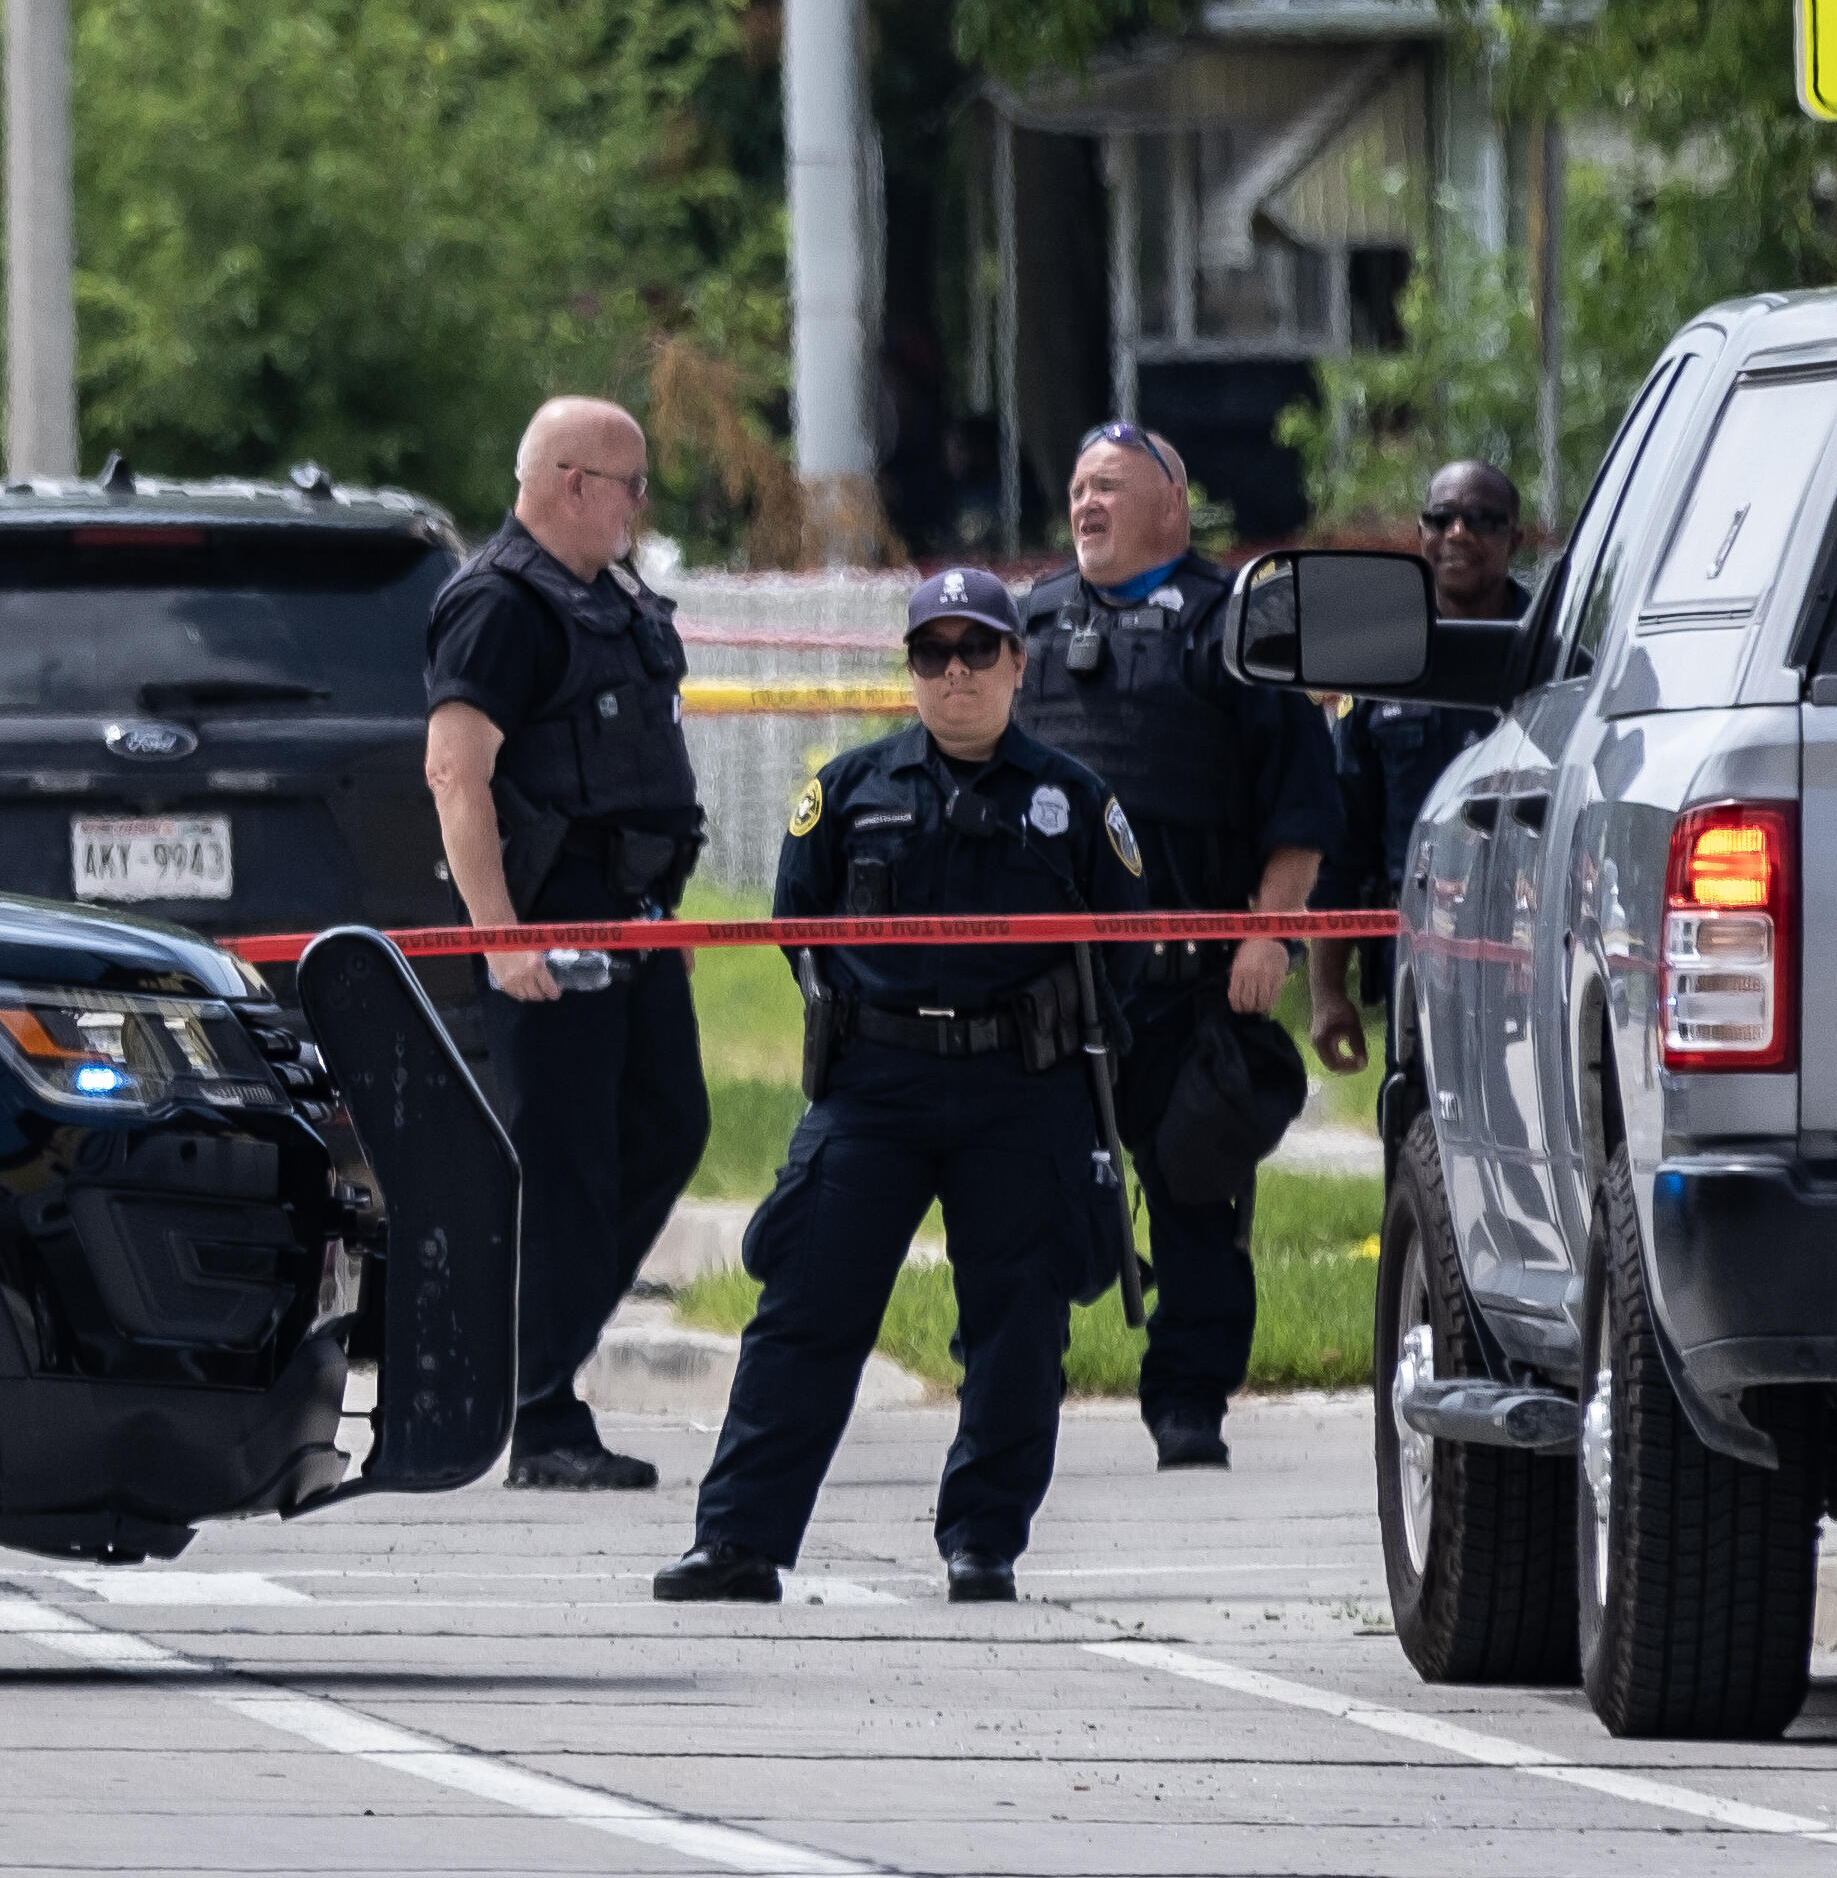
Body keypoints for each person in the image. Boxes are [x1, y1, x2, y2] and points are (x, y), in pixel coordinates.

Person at [664, 576, 1155, 1609]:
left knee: (1016, 1325)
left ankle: (984, 1540)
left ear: (1018, 663)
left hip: (1019, 1088)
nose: (955, 674)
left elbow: (1127, 952)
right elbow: (797, 924)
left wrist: (1047, 1040)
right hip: (874, 1086)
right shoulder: (848, 788)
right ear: (910, 670)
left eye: (977, 651)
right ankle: (740, 1540)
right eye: (931, 654)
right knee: (804, 1308)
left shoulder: (1074, 802)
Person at [1002, 423, 1335, 1470]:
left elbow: (1300, 806)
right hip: (1052, 981)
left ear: (1172, 507)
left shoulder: (1234, 627)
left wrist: (1269, 931)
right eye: (1077, 487)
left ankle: (1189, 1398)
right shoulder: (1026, 624)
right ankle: (1017, 1381)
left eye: (1109, 486)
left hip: (1193, 976)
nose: (1086, 503)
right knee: (1025, 1191)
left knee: (1197, 1185)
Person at [416, 392, 704, 1492]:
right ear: (572, 484)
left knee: (668, 1127)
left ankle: (532, 1365)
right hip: (550, 921)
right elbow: (456, 773)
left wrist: (665, 915)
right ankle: (538, 1411)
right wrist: (501, 940)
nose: (640, 507)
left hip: (634, 917)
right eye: (630, 485)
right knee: (570, 1165)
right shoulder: (500, 604)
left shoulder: (611, 603)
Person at [1304, 458, 1527, 1080]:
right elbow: (1344, 842)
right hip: (1418, 954)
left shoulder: (1556, 649)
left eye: (1482, 520)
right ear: (1421, 532)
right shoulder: (1378, 657)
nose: (1459, 533)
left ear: (1515, 536)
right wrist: (1326, 993)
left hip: (1536, 950)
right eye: (1442, 518)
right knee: (1418, 1132)